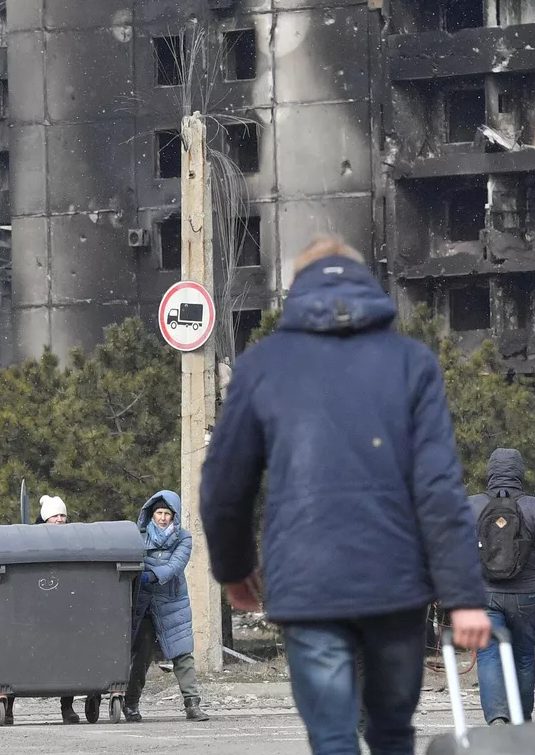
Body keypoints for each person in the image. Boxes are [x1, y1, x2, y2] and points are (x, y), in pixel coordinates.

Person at [199, 236, 492, 755]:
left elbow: (225, 482)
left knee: (332, 737)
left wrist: (235, 569)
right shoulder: (410, 363)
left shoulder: (263, 365)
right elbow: (439, 487)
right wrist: (465, 597)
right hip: (396, 586)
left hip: (307, 586)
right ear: (366, 285)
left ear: (298, 290)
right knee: (392, 733)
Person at [466, 448, 535, 725]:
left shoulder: (472, 505)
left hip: (484, 593)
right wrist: (533, 568)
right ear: (519, 473)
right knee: (522, 655)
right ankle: (522, 720)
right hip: (525, 594)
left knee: (488, 655)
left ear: (491, 473)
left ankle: (497, 719)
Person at [125, 490, 210, 723]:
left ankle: (192, 705)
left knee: (182, 655)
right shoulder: (138, 535)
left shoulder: (184, 537)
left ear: (175, 516)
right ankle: (130, 703)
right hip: (144, 604)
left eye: (167, 514)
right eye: (158, 513)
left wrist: (150, 575)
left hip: (172, 602)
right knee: (141, 657)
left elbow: (176, 565)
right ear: (151, 514)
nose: (162, 518)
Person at [35, 495, 102, 723]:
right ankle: (11, 702)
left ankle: (67, 706)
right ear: (45, 518)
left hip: (69, 607)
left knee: (68, 655)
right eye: (55, 515)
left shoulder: (74, 538)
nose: (60, 519)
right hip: (39, 606)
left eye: (63, 515)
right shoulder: (30, 538)